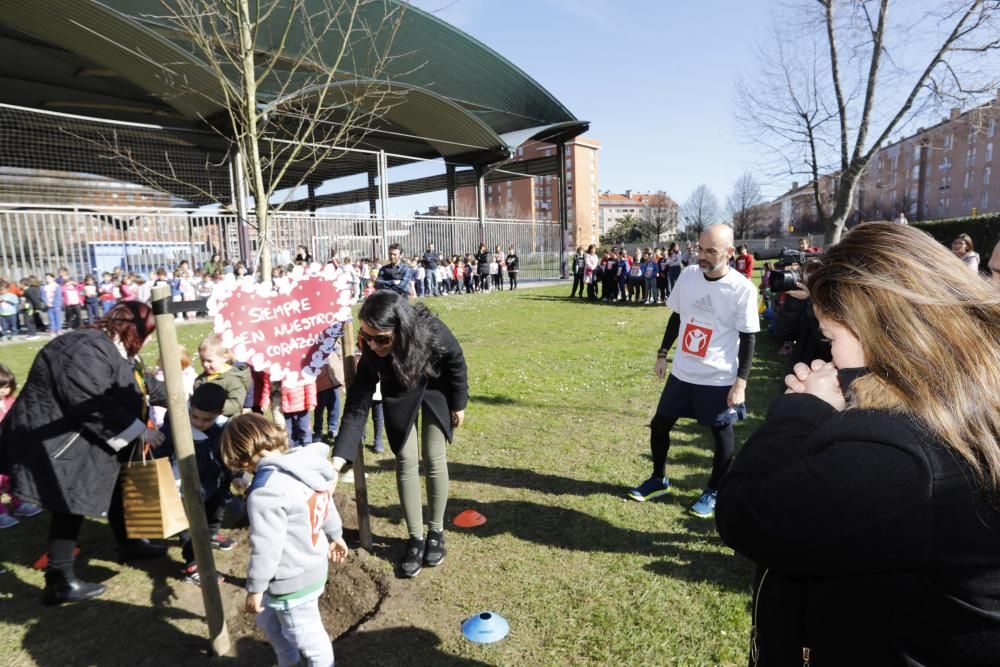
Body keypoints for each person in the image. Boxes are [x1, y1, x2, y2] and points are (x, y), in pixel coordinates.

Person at [716, 222, 1000, 664]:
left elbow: (746, 515)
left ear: (882, 331)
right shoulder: (966, 402)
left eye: (831, 340)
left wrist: (800, 413)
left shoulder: (901, 452)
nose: (830, 355)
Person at [0, 302, 167, 604]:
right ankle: (59, 580)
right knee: (71, 501)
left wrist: (186, 397)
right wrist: (140, 430)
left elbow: (138, 386)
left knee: (114, 485)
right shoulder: (85, 348)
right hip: (56, 440)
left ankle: (129, 543)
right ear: (132, 330)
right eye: (147, 334)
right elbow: (91, 400)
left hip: (74, 435)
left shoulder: (109, 349)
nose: (148, 341)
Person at [332, 290, 468, 577]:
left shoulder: (431, 332)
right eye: (366, 336)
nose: (372, 344)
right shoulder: (371, 347)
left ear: (402, 329)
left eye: (381, 338)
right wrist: (339, 457)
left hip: (434, 387)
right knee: (405, 460)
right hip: (400, 392)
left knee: (434, 456)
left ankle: (436, 532)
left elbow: (455, 359)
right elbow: (358, 401)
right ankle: (416, 538)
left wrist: (458, 404)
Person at [628, 224, 759, 519]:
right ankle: (658, 479)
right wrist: (663, 353)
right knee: (660, 424)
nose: (702, 255)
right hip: (682, 372)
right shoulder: (688, 276)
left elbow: (749, 337)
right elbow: (677, 316)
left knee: (721, 433)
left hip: (718, 377)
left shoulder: (742, 289)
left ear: (728, 253)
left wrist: (741, 383)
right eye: (700, 248)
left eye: (711, 251)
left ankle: (715, 490)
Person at [221, 414, 348, 667]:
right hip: (310, 563)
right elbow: (323, 500)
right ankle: (288, 662)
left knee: (306, 636)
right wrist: (335, 535)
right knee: (268, 622)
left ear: (241, 460)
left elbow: (267, 547)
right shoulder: (301, 466)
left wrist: (255, 588)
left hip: (291, 580)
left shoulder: (266, 492)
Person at [158, 382, 237, 584]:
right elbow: (161, 454)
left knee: (214, 516)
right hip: (183, 487)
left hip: (213, 484)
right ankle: (194, 562)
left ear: (219, 413)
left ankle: (210, 536)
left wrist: (235, 476)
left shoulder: (222, 428)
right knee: (191, 527)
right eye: (195, 416)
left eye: (206, 419)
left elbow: (226, 456)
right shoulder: (174, 426)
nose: (199, 423)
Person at [0, 365, 43, 529]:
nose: (4, 391)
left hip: (11, 448)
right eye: (0, 387)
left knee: (14, 477)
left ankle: (19, 503)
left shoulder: (11, 402)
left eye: (6, 386)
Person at [194, 334, 251, 418]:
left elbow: (236, 403)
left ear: (224, 358)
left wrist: (215, 407)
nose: (205, 364)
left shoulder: (232, 379)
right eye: (203, 360)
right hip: (205, 421)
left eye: (209, 361)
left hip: (228, 422)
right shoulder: (201, 379)